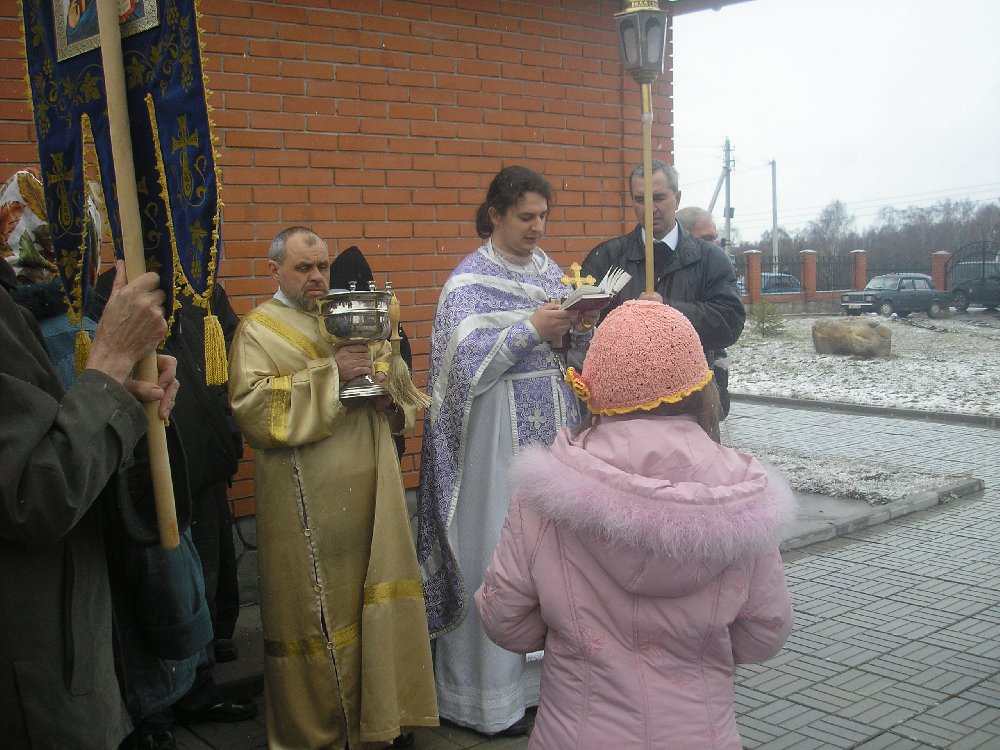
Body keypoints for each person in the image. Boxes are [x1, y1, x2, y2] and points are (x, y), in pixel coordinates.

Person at [475, 299, 796, 749]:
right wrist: (701, 651)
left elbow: (505, 618)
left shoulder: (543, 495)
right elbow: (764, 631)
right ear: (698, 387)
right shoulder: (743, 496)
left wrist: (569, 632)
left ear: (595, 387)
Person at [227, 226, 437, 749]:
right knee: (316, 612)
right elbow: (253, 410)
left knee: (378, 594)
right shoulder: (259, 330)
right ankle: (322, 733)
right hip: (306, 505)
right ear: (274, 270)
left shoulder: (355, 316)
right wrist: (332, 376)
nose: (317, 277)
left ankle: (384, 721)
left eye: (322, 266)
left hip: (374, 493)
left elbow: (402, 390)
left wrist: (389, 396)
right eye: (304, 268)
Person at [417, 165, 598, 736]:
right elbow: (460, 372)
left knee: (550, 560)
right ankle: (485, 699)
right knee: (496, 553)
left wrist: (579, 326)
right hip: (492, 444)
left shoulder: (549, 272)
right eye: (525, 216)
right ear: (495, 214)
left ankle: (540, 691)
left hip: (550, 440)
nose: (537, 227)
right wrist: (529, 330)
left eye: (543, 216)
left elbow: (566, 354)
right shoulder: (466, 283)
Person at [1, 255, 179, 749]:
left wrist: (118, 396)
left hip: (61, 643)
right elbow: (37, 493)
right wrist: (110, 361)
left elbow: (39, 436)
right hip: (31, 670)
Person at [582, 160, 745, 417]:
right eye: (640, 200)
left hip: (689, 405)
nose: (650, 209)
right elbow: (585, 332)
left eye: (659, 198)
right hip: (624, 409)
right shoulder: (607, 258)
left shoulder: (709, 259)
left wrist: (667, 312)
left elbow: (729, 323)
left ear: (677, 198)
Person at [675, 205, 734, 417]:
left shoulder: (716, 270)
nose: (713, 246)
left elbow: (727, 319)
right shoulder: (678, 274)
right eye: (706, 239)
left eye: (715, 238)